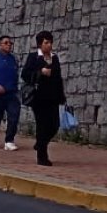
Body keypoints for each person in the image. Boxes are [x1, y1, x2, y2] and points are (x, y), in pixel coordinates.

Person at [21, 30, 66, 165]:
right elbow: (25, 74)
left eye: (50, 42)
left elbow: (58, 78)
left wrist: (61, 95)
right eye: (46, 42)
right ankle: (42, 157)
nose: (49, 45)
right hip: (38, 98)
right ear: (40, 44)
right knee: (42, 126)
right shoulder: (34, 57)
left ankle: (40, 143)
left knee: (54, 125)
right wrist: (40, 72)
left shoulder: (55, 58)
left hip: (52, 97)